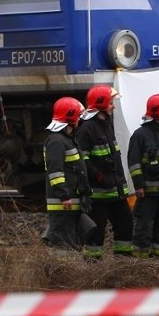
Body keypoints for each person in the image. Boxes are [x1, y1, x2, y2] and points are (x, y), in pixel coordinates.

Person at [74, 85, 133, 259]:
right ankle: (92, 267)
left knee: (125, 224)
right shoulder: (86, 129)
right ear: (100, 103)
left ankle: (123, 264)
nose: (113, 106)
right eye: (110, 102)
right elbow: (82, 159)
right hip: (99, 194)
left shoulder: (105, 124)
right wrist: (98, 176)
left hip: (115, 192)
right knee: (95, 232)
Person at [127, 93, 159, 258]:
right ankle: (140, 263)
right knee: (144, 228)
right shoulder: (140, 135)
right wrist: (139, 185)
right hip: (147, 194)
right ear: (157, 112)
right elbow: (134, 163)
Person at [42, 96, 94, 253]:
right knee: (62, 244)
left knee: (72, 242)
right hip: (63, 203)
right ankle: (62, 272)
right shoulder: (57, 141)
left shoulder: (67, 139)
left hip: (71, 200)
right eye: (78, 116)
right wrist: (64, 196)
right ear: (70, 117)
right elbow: (55, 172)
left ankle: (70, 271)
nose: (80, 119)